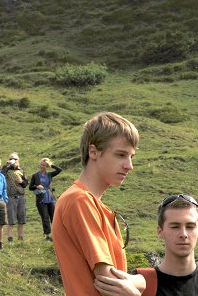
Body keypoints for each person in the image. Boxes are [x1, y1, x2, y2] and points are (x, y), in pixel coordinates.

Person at [52, 112, 146, 296]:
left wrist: (144, 280)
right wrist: (143, 282)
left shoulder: (92, 204)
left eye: (131, 157)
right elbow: (109, 282)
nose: (129, 166)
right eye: (121, 155)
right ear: (93, 151)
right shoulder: (80, 201)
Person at [95, 194, 198, 296]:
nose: (183, 233)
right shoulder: (137, 283)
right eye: (175, 226)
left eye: (190, 226)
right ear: (160, 231)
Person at [28, 157, 62, 241]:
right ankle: (47, 235)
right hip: (41, 199)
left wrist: (51, 165)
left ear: (47, 166)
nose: (42, 166)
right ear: (40, 165)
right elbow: (30, 187)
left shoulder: (49, 174)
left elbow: (59, 170)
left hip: (50, 198)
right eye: (42, 165)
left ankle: (56, 235)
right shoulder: (35, 176)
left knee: (54, 217)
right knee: (45, 217)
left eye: (45, 165)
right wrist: (36, 186)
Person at [1, 152, 28, 242]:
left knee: (21, 216)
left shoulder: (21, 170)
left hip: (21, 195)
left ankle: (20, 237)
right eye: (12, 158)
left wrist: (21, 181)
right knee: (11, 217)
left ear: (18, 160)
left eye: (15, 159)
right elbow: (1, 175)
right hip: (10, 196)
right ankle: (10, 237)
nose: (14, 160)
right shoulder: (6, 169)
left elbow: (25, 184)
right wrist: (7, 166)